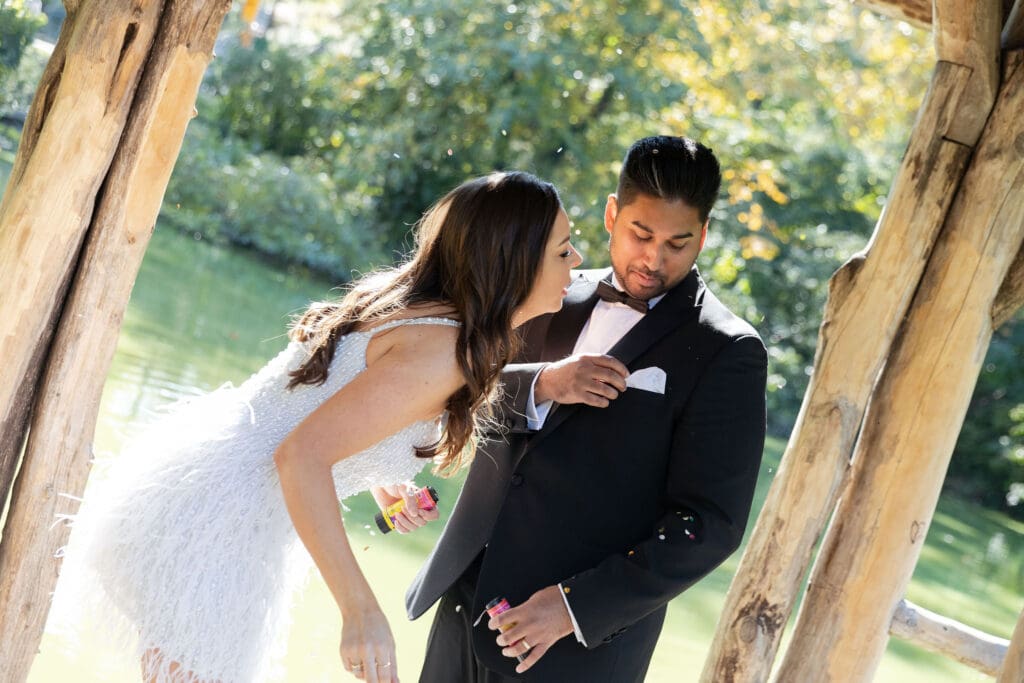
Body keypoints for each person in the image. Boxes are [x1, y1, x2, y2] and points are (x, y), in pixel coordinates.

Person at [51, 171, 582, 683]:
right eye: (561, 251)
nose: (577, 262)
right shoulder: (442, 352)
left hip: (204, 491)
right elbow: (300, 456)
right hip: (228, 524)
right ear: (513, 262)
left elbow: (316, 411)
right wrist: (360, 610)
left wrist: (377, 475)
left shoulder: (407, 304)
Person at [406, 136, 768, 682]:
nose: (653, 258)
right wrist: (542, 384)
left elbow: (709, 523)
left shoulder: (726, 350)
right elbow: (466, 391)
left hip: (575, 652)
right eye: (640, 234)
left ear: (705, 235)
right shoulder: (547, 288)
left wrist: (575, 606)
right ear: (611, 213)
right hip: (465, 599)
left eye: (678, 242)